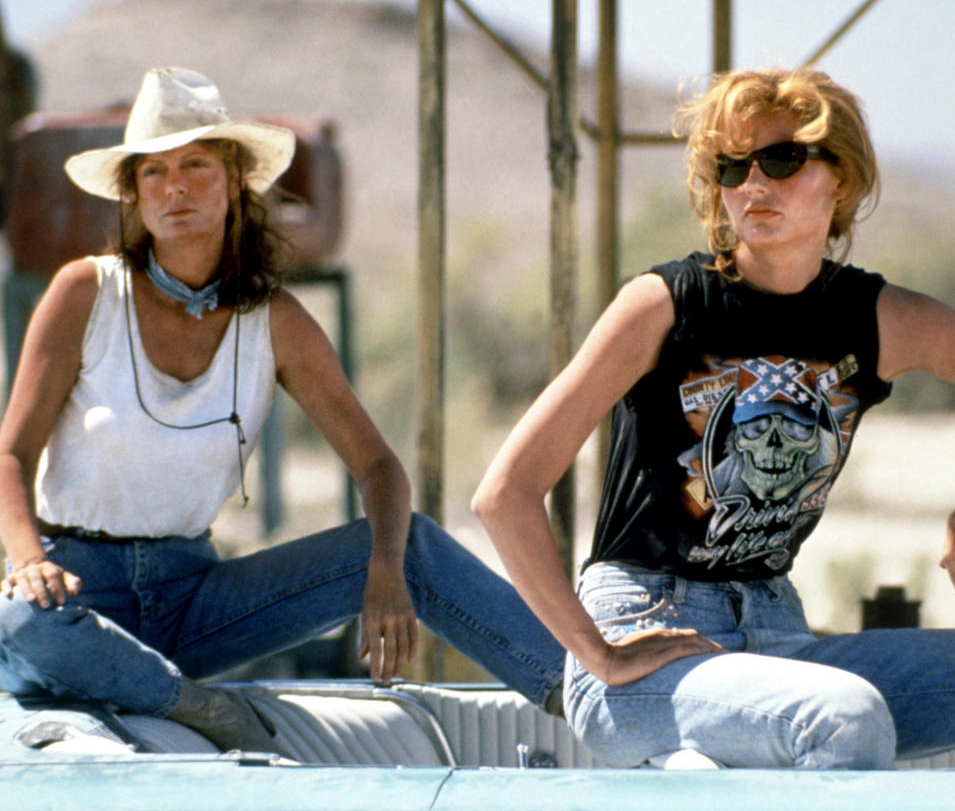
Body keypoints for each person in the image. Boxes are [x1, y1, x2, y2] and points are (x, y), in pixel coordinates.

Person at [0, 67, 564, 755]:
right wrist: (27, 558)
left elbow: (379, 466)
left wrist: (384, 567)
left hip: (191, 600)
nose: (175, 187)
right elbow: (11, 454)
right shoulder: (84, 292)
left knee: (411, 543)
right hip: (75, 595)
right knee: (22, 621)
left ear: (235, 180)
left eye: (196, 165)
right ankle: (191, 704)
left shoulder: (275, 321)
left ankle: (588, 696)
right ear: (135, 196)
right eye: (154, 172)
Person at [472, 67, 955, 770]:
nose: (753, 184)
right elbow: (503, 495)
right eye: (732, 168)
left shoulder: (876, 319)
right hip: (646, 636)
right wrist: (597, 655)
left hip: (776, 631)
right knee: (843, 720)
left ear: (843, 179)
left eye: (782, 159)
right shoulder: (665, 303)